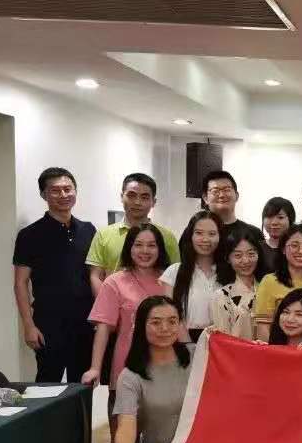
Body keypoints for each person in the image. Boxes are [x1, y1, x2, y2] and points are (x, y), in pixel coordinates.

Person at [102, 295, 192, 443]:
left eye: (172, 321)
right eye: (156, 322)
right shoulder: (131, 377)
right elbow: (125, 431)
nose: (165, 328)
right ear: (141, 326)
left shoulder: (197, 356)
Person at [13, 167, 96, 384]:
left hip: (85, 322)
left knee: (83, 384)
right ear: (44, 194)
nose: (63, 195)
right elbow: (20, 283)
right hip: (48, 323)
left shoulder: (88, 230)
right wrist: (28, 326)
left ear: (75, 191)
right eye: (55, 190)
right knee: (46, 383)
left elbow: (96, 275)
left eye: (68, 189)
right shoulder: (29, 235)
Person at [82, 224, 169, 393]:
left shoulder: (170, 280)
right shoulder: (114, 282)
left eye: (151, 245)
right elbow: (103, 327)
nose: (145, 251)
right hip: (127, 363)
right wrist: (95, 368)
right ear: (129, 248)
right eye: (138, 245)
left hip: (166, 364)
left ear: (160, 249)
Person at [86, 172, 179, 294]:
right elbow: (96, 276)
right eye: (131, 195)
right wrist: (106, 302)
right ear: (121, 196)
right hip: (113, 301)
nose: (137, 202)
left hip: (156, 303)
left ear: (154, 202)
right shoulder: (103, 235)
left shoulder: (167, 236)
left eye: (144, 197)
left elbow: (175, 275)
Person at [253, 225, 302, 341]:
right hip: (279, 349)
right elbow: (263, 328)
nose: (301, 251)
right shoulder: (270, 281)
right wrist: (276, 351)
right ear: (283, 249)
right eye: (294, 245)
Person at [160, 211, 221, 342]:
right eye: (199, 233)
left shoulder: (228, 273)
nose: (205, 239)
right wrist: (189, 345)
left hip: (221, 342)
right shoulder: (174, 271)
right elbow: (170, 315)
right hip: (183, 340)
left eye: (212, 234)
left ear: (220, 236)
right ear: (190, 236)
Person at [209, 226, 265, 340]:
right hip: (235, 350)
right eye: (238, 255)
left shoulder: (267, 289)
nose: (245, 260)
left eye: (251, 254)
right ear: (228, 258)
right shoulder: (222, 296)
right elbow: (223, 341)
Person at [186, 170, 265, 245]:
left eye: (227, 190)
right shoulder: (195, 231)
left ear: (237, 196)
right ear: (205, 198)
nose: (222, 195)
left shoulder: (254, 233)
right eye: (215, 191)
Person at [260, 196, 295, 272]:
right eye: (269, 217)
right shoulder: (257, 248)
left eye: (280, 217)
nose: (274, 223)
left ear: (290, 220)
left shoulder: (298, 249)